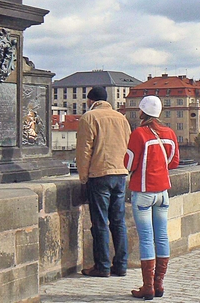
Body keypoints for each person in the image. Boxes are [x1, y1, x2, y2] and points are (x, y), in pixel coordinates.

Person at [125, 96, 180, 300]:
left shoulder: (139, 133)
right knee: (162, 236)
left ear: (142, 112)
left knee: (147, 239)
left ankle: (147, 287)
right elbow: (174, 162)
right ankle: (159, 284)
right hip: (163, 192)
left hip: (143, 191)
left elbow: (129, 162)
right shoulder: (170, 133)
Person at [76, 87, 132, 277]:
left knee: (100, 222)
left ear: (91, 101)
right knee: (118, 222)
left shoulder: (89, 118)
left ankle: (102, 266)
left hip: (100, 174)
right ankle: (121, 265)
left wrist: (83, 177)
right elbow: (128, 145)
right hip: (120, 174)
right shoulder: (121, 118)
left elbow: (84, 151)